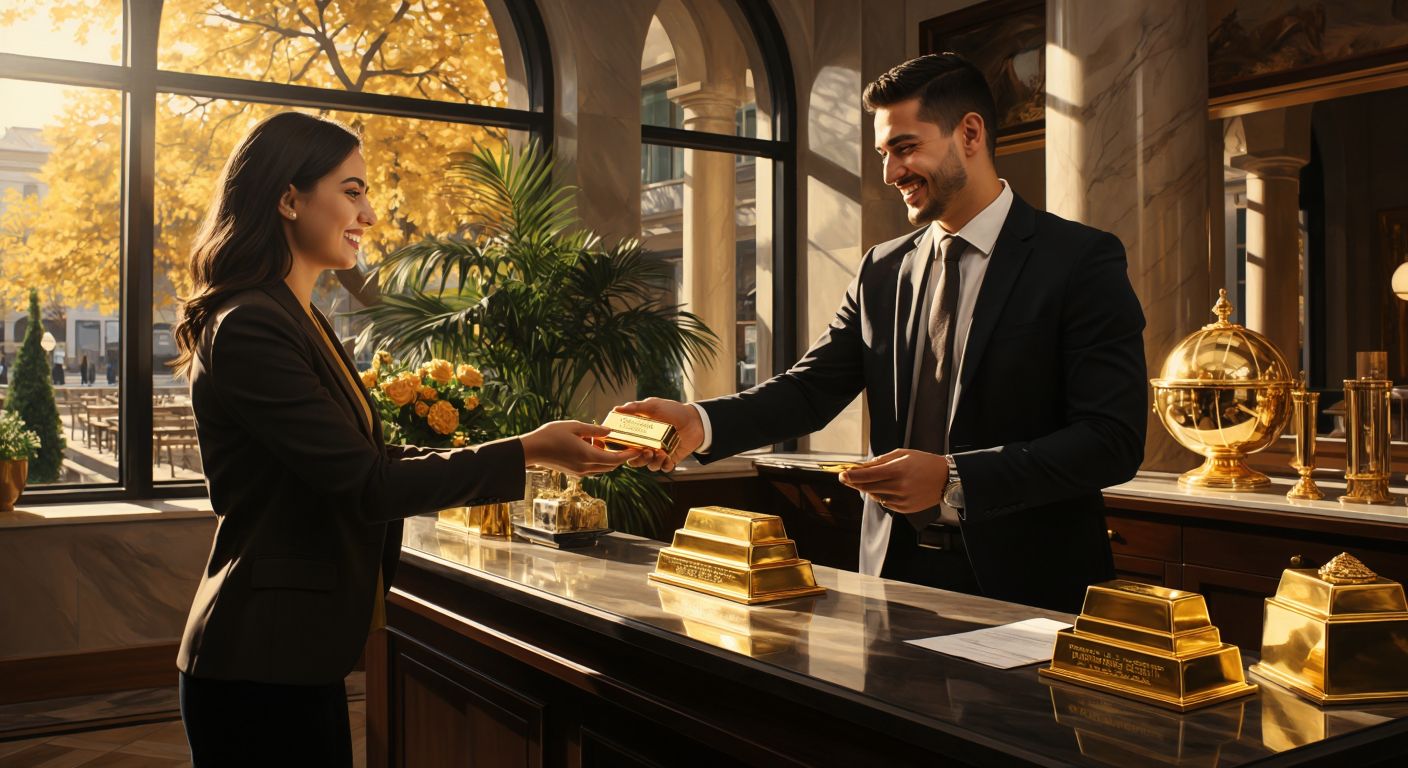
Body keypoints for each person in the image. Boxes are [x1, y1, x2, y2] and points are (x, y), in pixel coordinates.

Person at [169, 112, 641, 766]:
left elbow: (370, 462)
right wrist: (530, 450)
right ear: (287, 198)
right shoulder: (251, 324)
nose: (369, 213)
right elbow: (367, 484)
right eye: (353, 190)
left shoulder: (292, 314)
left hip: (290, 659)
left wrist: (533, 446)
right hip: (258, 663)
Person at [620, 54, 1147, 614]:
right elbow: (810, 389)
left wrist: (953, 478)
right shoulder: (883, 268)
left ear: (969, 133)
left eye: (905, 147)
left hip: (1028, 586)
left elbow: (1111, 440)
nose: (891, 173)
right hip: (892, 577)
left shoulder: (1079, 260)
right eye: (884, 154)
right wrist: (699, 422)